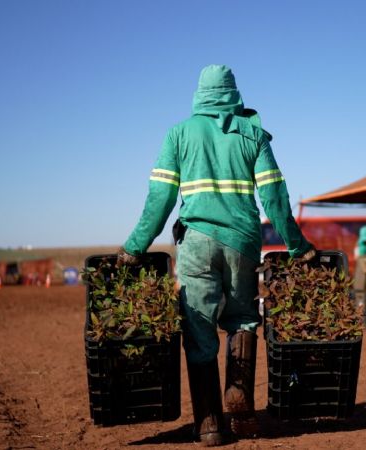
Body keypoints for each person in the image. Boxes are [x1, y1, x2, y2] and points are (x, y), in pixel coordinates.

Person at [118, 65, 314, 446]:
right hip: (242, 240)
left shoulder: (178, 134)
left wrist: (134, 246)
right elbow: (274, 198)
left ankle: (209, 424)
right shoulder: (253, 134)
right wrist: (297, 245)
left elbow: (160, 200)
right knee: (242, 318)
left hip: (197, 241)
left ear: (199, 94)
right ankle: (238, 395)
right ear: (233, 92)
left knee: (199, 328)